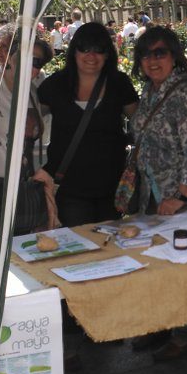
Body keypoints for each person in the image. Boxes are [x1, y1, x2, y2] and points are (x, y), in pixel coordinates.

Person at [128, 26, 187, 361]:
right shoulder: (151, 91)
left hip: (184, 194)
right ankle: (160, 324)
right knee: (158, 262)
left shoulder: (185, 94)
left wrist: (181, 196)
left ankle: (184, 334)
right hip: (156, 188)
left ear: (174, 56)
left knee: (185, 266)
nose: (153, 60)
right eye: (146, 54)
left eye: (160, 53)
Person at [34, 22, 138, 227]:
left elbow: (142, 123)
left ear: (108, 54)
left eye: (99, 49)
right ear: (74, 51)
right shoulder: (56, 85)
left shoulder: (119, 84)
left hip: (112, 188)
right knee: (81, 249)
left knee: (110, 250)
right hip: (70, 188)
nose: (92, 55)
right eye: (85, 48)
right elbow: (28, 117)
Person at [0, 25, 53, 233]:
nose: (30, 65)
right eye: (25, 56)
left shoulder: (32, 91)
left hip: (26, 189)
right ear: (11, 55)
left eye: (36, 62)